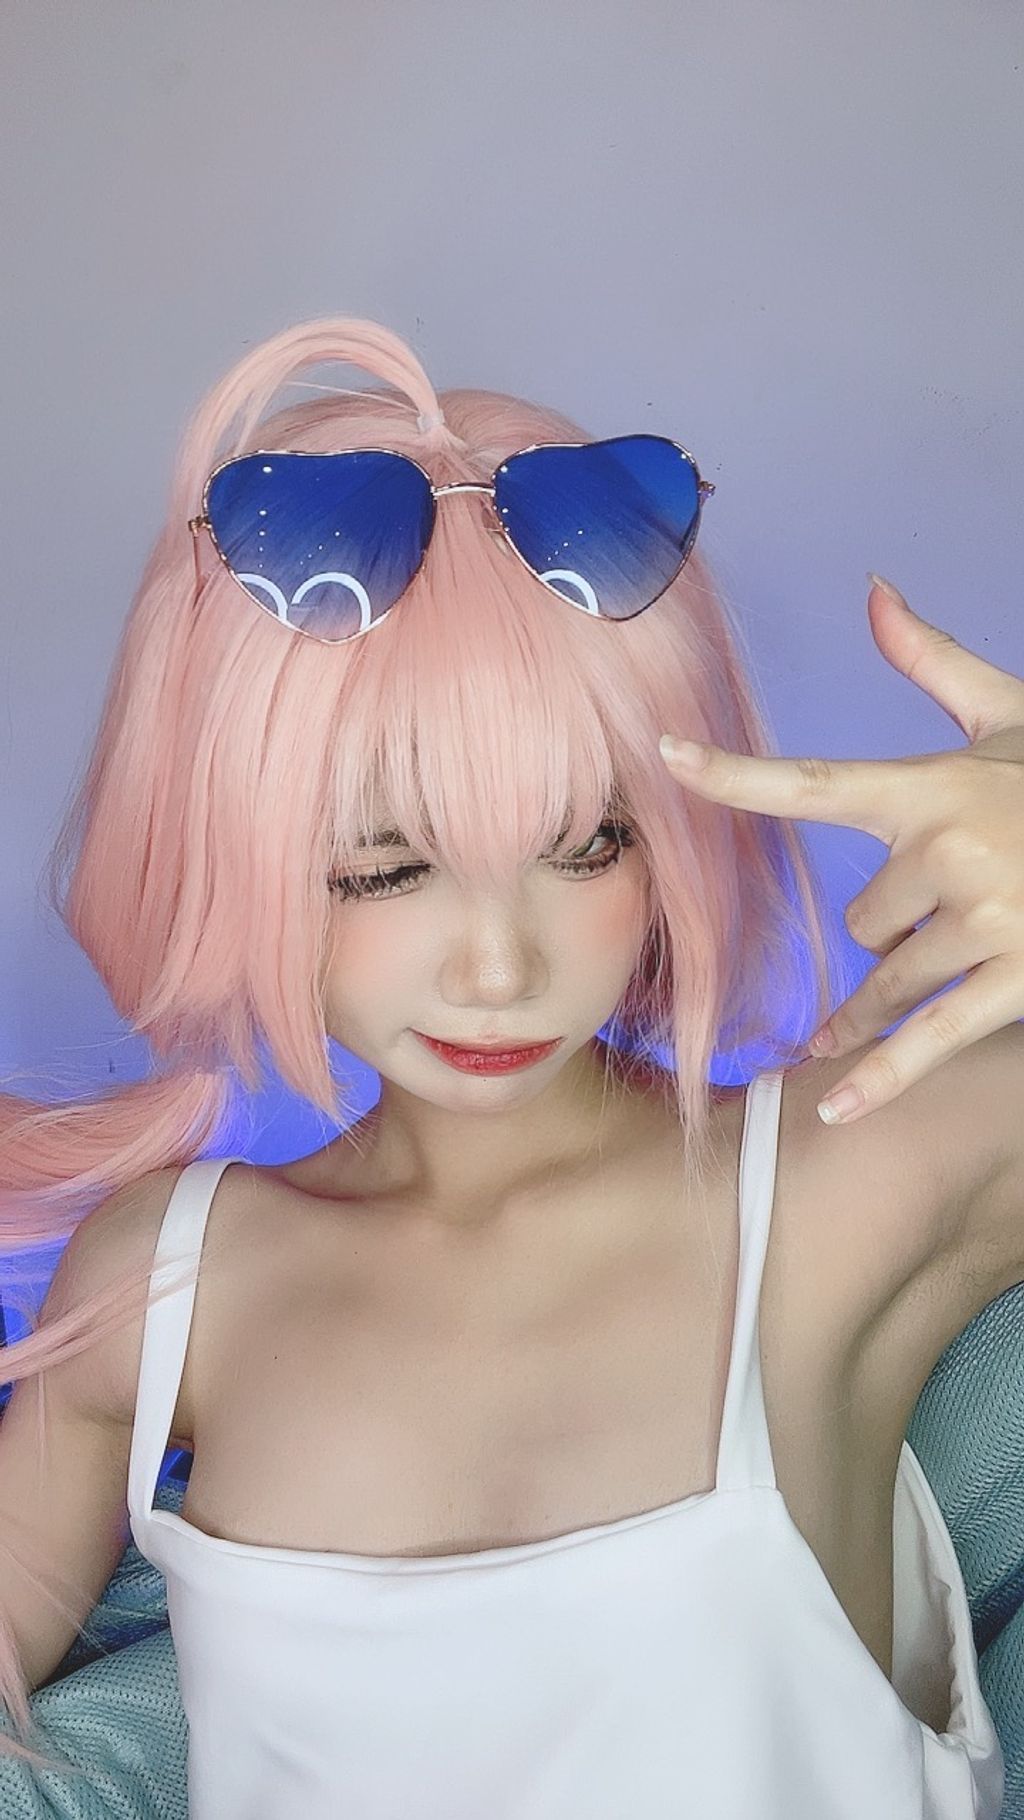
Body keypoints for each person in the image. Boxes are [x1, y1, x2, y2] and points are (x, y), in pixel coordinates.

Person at [0, 312, 1016, 1815]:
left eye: (585, 844)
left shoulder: (841, 1172)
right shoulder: (163, 1284)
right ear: (234, 851)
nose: (499, 966)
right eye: (384, 867)